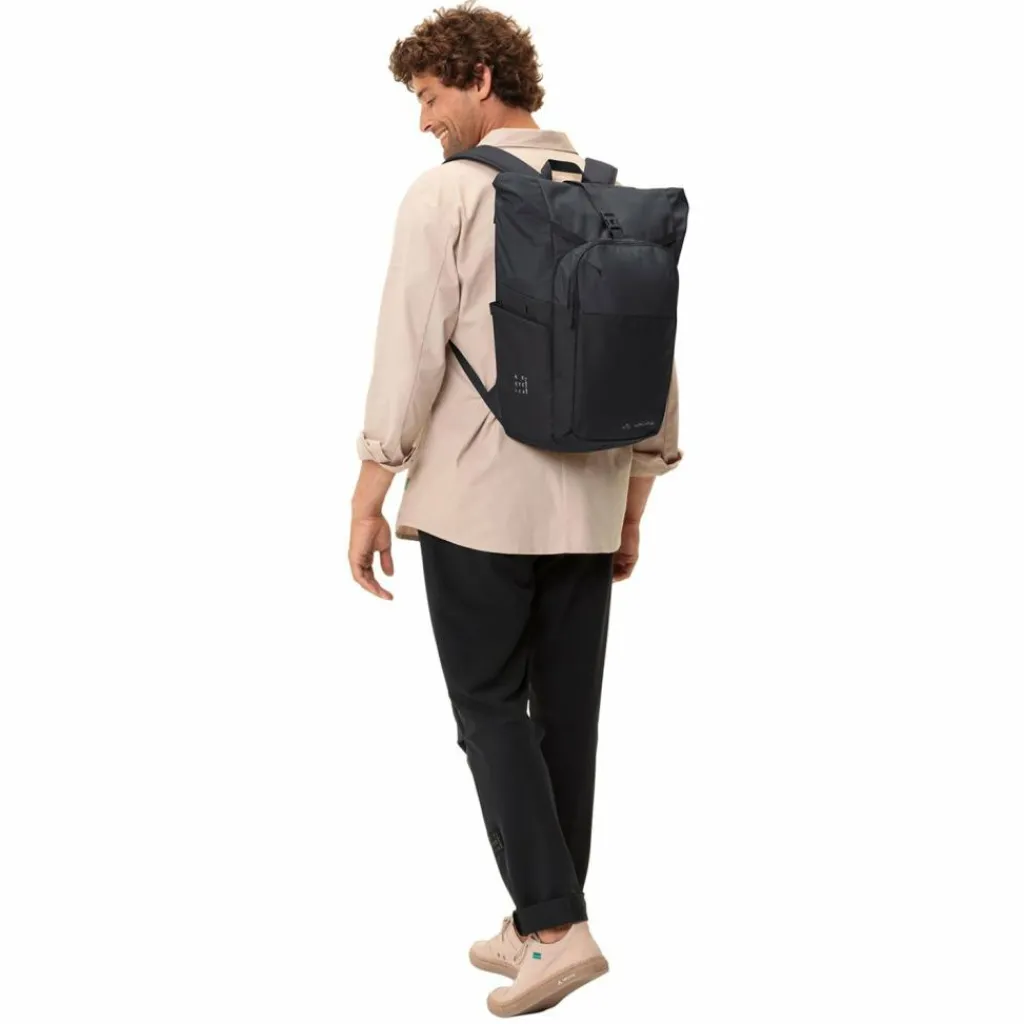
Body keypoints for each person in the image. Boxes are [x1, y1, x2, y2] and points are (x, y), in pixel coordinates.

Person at [349, 3, 681, 1015]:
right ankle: (541, 921)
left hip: (477, 506)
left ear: (481, 79)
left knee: (490, 711)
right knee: (564, 719)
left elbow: (409, 348)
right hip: (589, 503)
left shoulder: (447, 194)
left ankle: (554, 926)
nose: (423, 120)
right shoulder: (608, 197)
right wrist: (635, 499)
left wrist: (370, 487)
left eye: (429, 96)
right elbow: (653, 364)